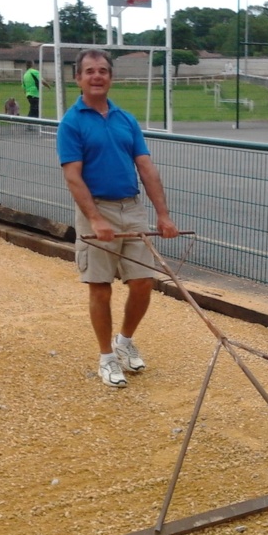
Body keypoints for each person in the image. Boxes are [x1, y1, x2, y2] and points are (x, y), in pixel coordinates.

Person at [57, 48, 179, 388]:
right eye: (90, 71)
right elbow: (73, 177)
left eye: (103, 71)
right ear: (78, 78)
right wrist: (95, 219)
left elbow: (146, 168)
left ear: (111, 77)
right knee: (100, 288)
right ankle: (106, 358)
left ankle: (124, 342)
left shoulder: (126, 119)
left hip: (131, 207)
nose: (97, 76)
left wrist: (163, 215)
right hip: (96, 209)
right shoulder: (72, 123)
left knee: (143, 283)